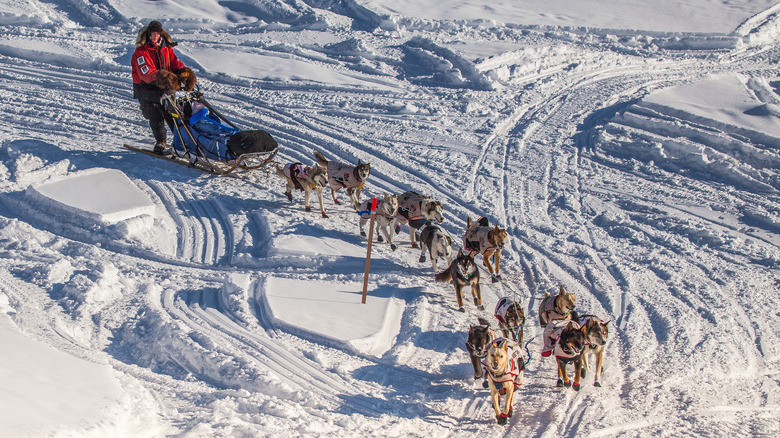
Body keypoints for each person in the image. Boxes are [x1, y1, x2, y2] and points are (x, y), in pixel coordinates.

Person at [131, 20, 196, 155]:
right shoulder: (141, 52)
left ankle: (182, 141)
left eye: (157, 34)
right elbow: (146, 73)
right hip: (146, 88)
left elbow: (175, 63)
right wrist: (164, 77)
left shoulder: (166, 49)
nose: (155, 36)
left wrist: (183, 72)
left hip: (165, 87)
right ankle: (161, 142)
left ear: (161, 34)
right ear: (148, 35)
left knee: (173, 112)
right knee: (154, 114)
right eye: (152, 34)